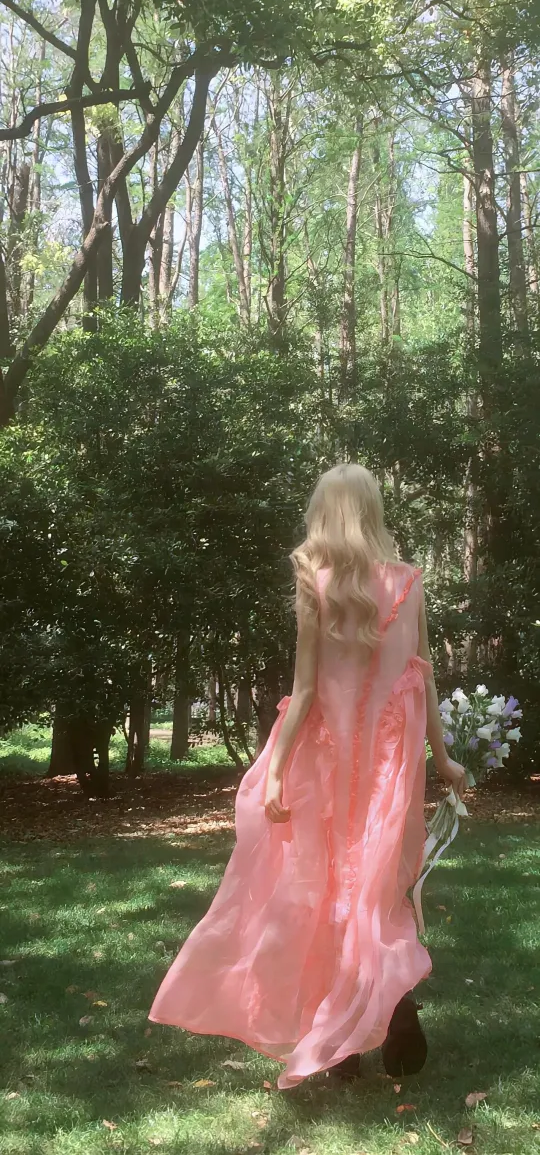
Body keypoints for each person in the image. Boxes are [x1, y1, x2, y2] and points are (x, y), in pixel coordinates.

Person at [149, 464, 466, 1089]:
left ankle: (344, 1038)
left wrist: (274, 773)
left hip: (328, 766)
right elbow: (422, 675)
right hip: (390, 771)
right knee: (379, 889)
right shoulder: (409, 582)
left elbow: (305, 689)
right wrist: (444, 755)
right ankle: (387, 1005)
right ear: (372, 511)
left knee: (328, 891)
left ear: (325, 513)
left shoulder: (314, 579)